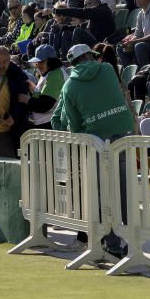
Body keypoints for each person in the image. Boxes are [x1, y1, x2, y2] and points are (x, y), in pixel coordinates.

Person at [51, 43, 134, 258]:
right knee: (124, 189)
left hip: (97, 140)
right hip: (123, 133)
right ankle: (131, 241)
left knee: (105, 193)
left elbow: (75, 125)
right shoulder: (107, 68)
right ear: (89, 55)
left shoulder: (68, 86)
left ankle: (113, 244)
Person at [27, 45, 67, 129]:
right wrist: (34, 89)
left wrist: (26, 100)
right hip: (47, 123)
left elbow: (44, 105)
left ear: (51, 61)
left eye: (42, 61)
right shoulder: (49, 73)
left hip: (51, 125)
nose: (38, 65)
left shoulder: (55, 75)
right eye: (37, 62)